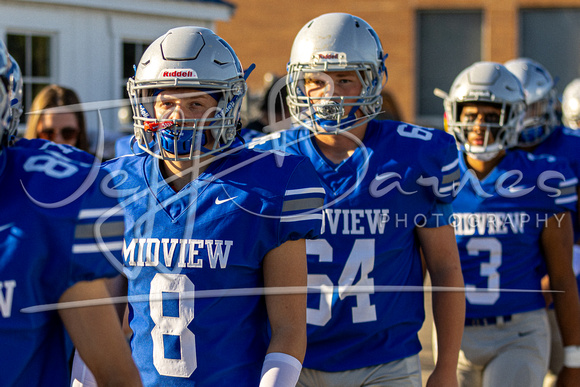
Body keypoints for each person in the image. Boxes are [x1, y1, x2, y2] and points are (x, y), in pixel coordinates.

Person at [72, 26, 325, 387]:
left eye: (195, 103)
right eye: (166, 102)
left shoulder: (270, 185)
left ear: (226, 105)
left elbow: (288, 329)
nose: (177, 118)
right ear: (146, 104)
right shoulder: (114, 186)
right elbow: (100, 326)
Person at [250, 12, 465, 387]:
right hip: (292, 362)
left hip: (386, 362)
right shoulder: (268, 160)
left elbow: (446, 268)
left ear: (372, 80)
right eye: (316, 81)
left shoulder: (415, 156)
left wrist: (445, 365)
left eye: (345, 79)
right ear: (298, 83)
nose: (328, 93)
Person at [0, 41, 142, 386]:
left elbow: (113, 358)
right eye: (49, 132)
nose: (60, 141)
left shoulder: (70, 193)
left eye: (69, 132)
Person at [439, 60, 580, 387]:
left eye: (492, 115)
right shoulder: (437, 175)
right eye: (470, 115)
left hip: (518, 330)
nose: (478, 125)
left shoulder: (543, 177)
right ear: (454, 114)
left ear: (514, 116)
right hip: (452, 332)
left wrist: (574, 357)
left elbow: (562, 275)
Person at [504, 57, 580, 387]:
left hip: (569, 277)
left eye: (531, 108)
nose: (523, 121)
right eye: (518, 109)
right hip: (516, 286)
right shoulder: (493, 152)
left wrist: (563, 271)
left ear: (549, 103)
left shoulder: (571, 148)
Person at [24, 84, 90, 152]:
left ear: (79, 133)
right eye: (48, 133)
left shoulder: (96, 161)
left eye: (68, 133)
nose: (58, 140)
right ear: (35, 132)